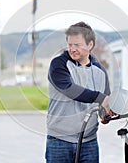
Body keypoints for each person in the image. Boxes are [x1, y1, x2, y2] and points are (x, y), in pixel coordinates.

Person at [45, 21, 112, 163]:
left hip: (89, 142)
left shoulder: (100, 71)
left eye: (77, 45)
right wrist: (101, 98)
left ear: (90, 45)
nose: (72, 49)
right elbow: (71, 90)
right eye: (70, 45)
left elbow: (105, 102)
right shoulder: (58, 64)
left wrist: (105, 114)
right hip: (59, 141)